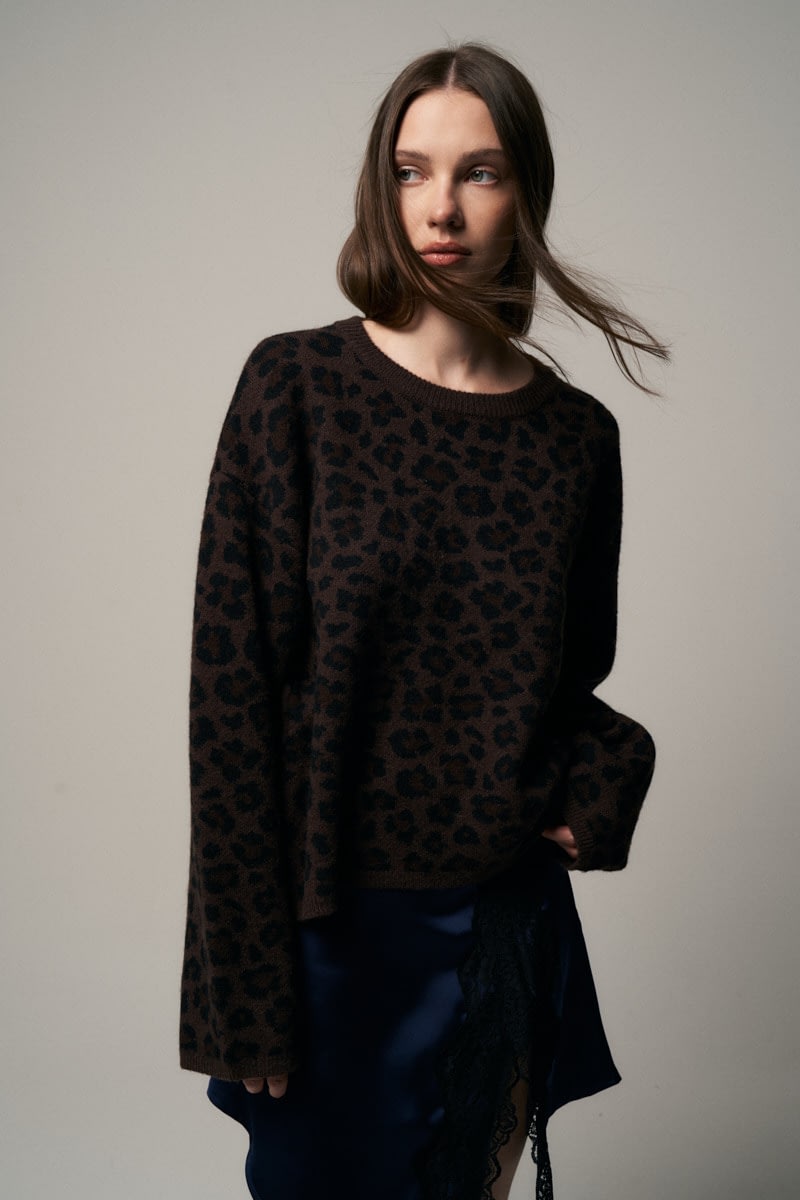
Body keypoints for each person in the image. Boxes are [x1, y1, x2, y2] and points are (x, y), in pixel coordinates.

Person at [179, 42, 668, 1200]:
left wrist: (612, 773)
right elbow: (230, 709)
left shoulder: (574, 439)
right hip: (327, 934)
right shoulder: (294, 390)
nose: (439, 207)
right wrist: (241, 991)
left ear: (524, 194)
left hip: (497, 927)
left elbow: (565, 686)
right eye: (410, 171)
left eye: (477, 172)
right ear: (380, 188)